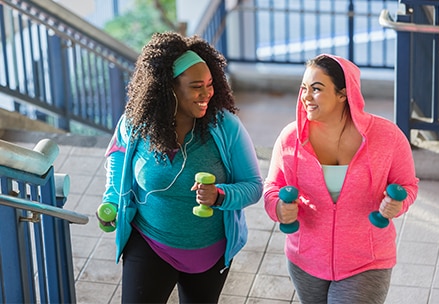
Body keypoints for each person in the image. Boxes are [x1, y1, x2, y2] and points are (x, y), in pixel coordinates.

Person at [97, 31, 263, 303]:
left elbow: (254, 186)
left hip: (209, 253)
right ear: (168, 87)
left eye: (210, 84)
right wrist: (112, 199)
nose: (207, 93)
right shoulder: (137, 123)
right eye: (197, 86)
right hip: (150, 242)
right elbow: (118, 153)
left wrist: (220, 195)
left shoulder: (225, 127)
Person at [263, 54, 419, 304]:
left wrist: (398, 204)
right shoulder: (290, 138)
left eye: (316, 89)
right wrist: (278, 208)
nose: (305, 96)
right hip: (305, 260)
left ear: (343, 94)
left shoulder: (387, 138)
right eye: (304, 88)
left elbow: (408, 185)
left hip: (367, 262)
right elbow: (272, 187)